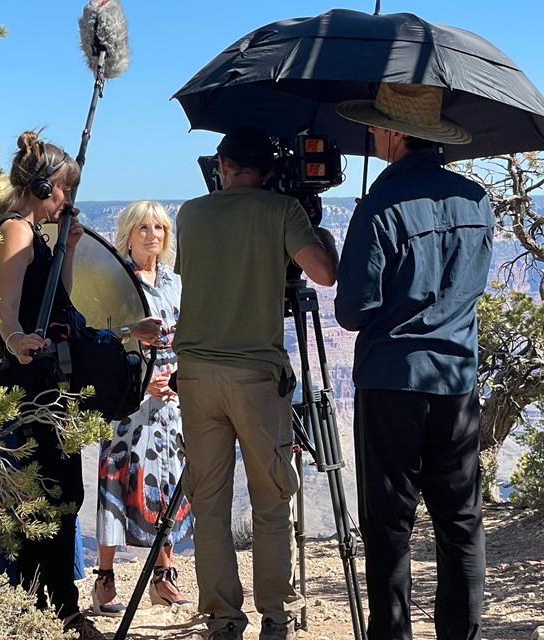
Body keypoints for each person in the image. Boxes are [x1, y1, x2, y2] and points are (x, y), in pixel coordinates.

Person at [0, 131, 163, 639]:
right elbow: (6, 308)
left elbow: (61, 311)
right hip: (30, 387)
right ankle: (58, 612)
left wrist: (72, 252)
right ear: (41, 186)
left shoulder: (42, 234)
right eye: (65, 191)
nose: (70, 202)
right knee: (49, 493)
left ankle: (55, 608)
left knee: (60, 491)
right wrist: (15, 340)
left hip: (49, 385)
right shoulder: (15, 229)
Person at [334, 83, 494, 640]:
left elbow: (353, 311)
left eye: (376, 126)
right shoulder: (478, 201)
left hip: (392, 381)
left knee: (389, 524)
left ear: (398, 134)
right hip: (456, 381)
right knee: (460, 521)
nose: (371, 134)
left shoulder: (379, 205)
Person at [173, 127, 339, 640]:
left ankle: (223, 620)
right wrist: (316, 229)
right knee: (271, 502)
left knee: (210, 502)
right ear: (268, 172)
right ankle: (274, 615)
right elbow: (324, 274)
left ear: (222, 164)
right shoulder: (279, 211)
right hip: (256, 376)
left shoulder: (190, 214)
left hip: (197, 377)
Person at [93, 200, 193, 616]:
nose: (153, 235)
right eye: (144, 228)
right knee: (118, 482)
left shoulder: (176, 283)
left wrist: (181, 380)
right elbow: (98, 335)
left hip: (171, 398)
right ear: (129, 233)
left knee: (167, 482)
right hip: (129, 399)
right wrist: (139, 382)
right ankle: (105, 580)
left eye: (160, 228)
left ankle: (163, 577)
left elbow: (190, 334)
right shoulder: (116, 281)